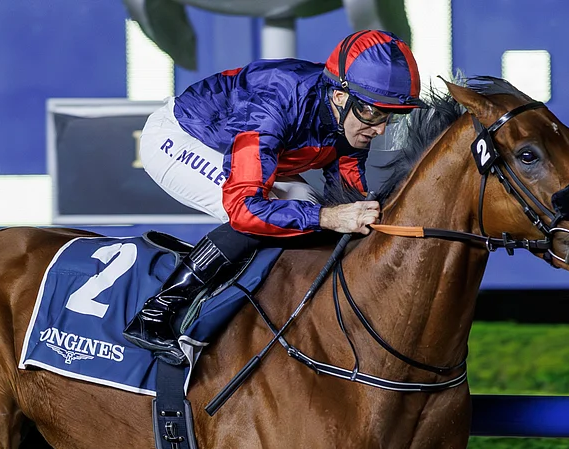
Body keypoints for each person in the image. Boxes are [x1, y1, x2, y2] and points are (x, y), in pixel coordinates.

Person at [123, 29, 425, 366]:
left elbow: (349, 195)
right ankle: (156, 315)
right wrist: (329, 217)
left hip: (233, 148)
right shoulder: (277, 101)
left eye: (391, 115)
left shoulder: (349, 117)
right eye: (372, 112)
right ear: (340, 97)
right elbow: (244, 209)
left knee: (308, 206)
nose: (381, 128)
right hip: (179, 138)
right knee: (271, 215)